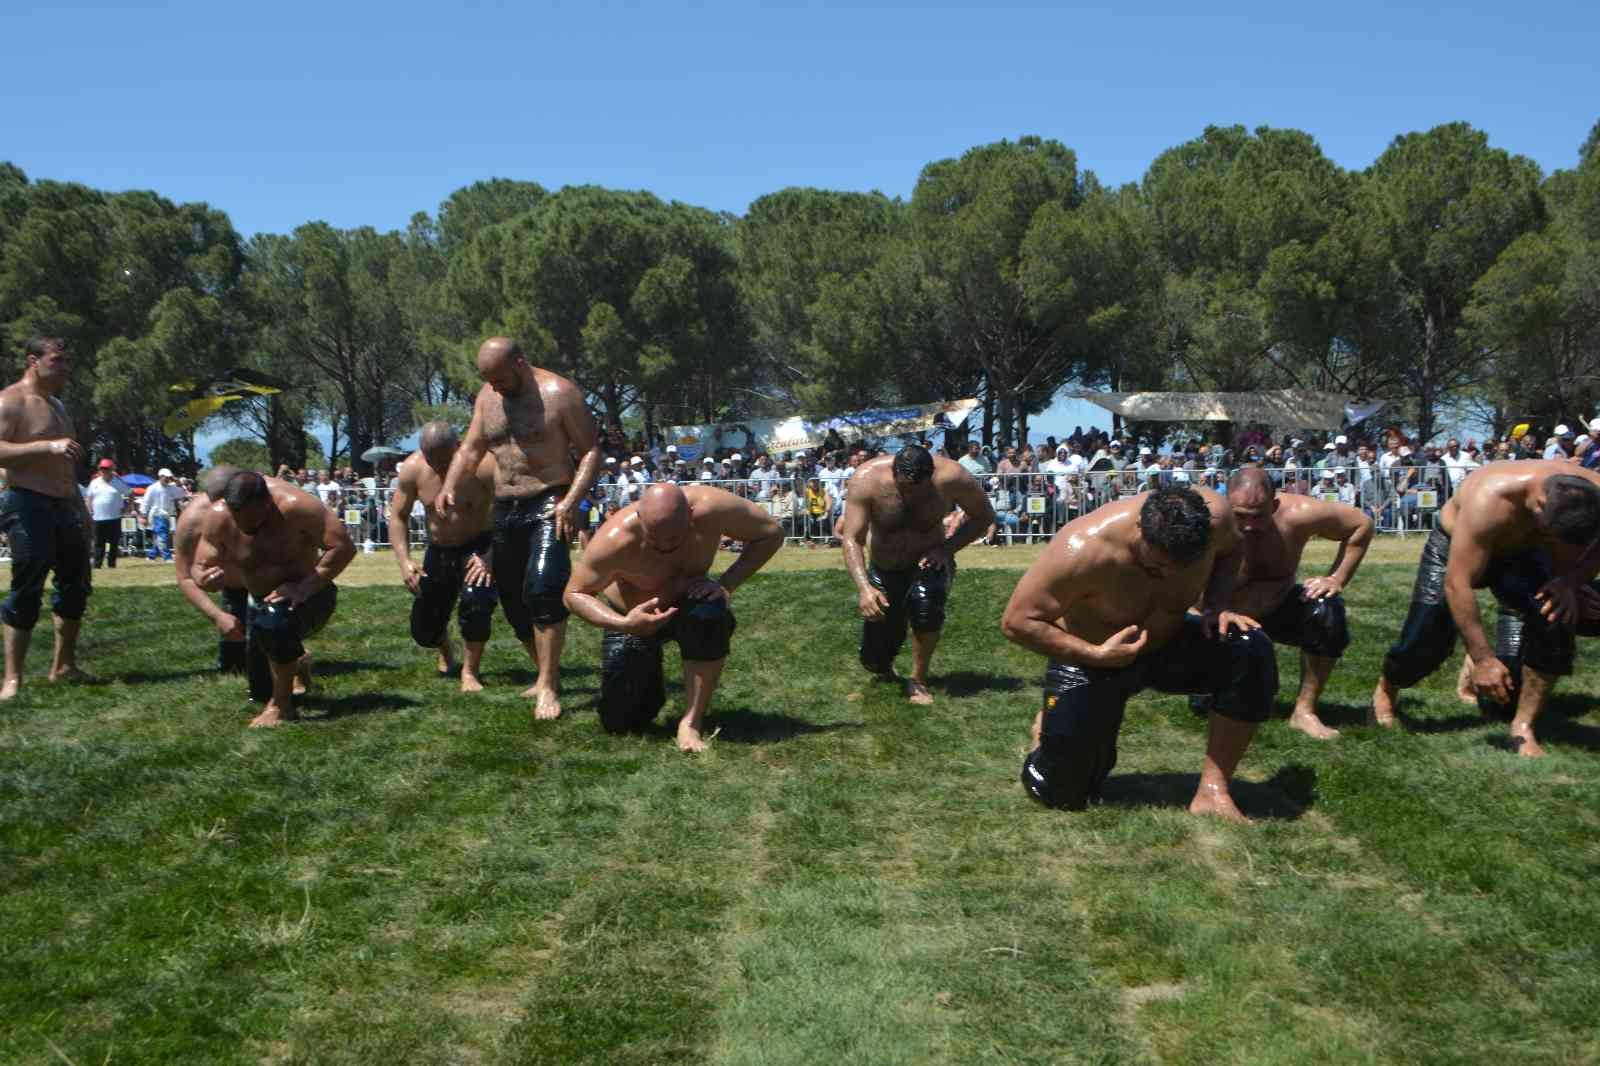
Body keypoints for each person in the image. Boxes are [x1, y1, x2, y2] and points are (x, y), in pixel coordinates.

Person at [1002, 486, 1274, 822]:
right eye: (1158, 567)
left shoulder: (1217, 518)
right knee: (1060, 792)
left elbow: (1233, 550)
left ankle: (1212, 791)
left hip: (1168, 643)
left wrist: (1217, 605)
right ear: (1141, 532)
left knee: (1249, 648)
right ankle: (1047, 731)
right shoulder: (1084, 547)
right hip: (1091, 658)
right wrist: (1096, 654)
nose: (1171, 576)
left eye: (1184, 566)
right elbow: (1017, 621)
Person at [1372, 460, 1600, 756]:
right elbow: (1459, 584)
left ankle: (1522, 725)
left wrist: (1570, 582)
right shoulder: (1490, 498)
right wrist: (1483, 659)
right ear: (1540, 505)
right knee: (1427, 634)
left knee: (1554, 615)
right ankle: (1388, 688)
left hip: (1526, 554)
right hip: (1454, 548)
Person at [437, 337, 603, 720]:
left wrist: (571, 500)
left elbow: (592, 451)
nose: (494, 387)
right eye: (487, 379)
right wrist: (448, 485)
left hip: (549, 498)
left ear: (520, 364)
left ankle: (548, 683)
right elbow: (471, 448)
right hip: (505, 504)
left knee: (544, 587)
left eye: (499, 378)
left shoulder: (560, 394)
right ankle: (545, 670)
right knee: (513, 599)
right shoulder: (487, 397)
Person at [563, 483, 783, 752]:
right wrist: (624, 624)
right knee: (621, 721)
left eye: (675, 536)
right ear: (640, 519)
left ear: (691, 514)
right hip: (633, 618)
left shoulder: (713, 508)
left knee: (710, 616)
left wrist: (726, 584)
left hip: (688, 603)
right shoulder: (615, 538)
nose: (666, 545)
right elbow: (574, 594)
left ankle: (691, 721)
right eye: (656, 537)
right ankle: (647, 675)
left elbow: (771, 534)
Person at [1203, 468, 1374, 739]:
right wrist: (1212, 609)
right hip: (1216, 618)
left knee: (1327, 611)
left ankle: (1305, 711)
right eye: (1240, 516)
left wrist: (1336, 578)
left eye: (1257, 516)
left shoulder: (1298, 514)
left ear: (1274, 505)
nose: (1248, 525)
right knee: (1220, 700)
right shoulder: (1209, 520)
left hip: (1275, 607)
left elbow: (1361, 524)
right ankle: (1207, 684)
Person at [839, 444, 994, 705]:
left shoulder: (953, 477)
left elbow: (984, 516)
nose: (911, 494)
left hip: (928, 561)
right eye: (905, 487)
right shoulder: (867, 479)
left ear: (931, 475)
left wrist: (947, 549)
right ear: (894, 472)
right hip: (884, 566)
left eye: (919, 487)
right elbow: (852, 538)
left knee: (926, 607)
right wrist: (864, 588)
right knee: (873, 659)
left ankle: (918, 680)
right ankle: (884, 666)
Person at [216, 471, 356, 727]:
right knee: (259, 691)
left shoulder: (298, 506)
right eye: (240, 520)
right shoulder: (219, 512)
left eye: (254, 521)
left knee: (274, 624)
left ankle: (282, 707)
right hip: (257, 602)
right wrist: (205, 575)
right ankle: (296, 660)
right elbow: (199, 561)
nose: (248, 528)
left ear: (267, 504)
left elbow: (343, 547)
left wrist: (303, 587)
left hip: (311, 595)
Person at [0, 336, 94, 699]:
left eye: (68, 362)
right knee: (27, 587)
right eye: (58, 360)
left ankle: (64, 666)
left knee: (75, 585)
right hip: (27, 502)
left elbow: (65, 465)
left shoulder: (57, 405)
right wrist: (46, 445)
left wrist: (80, 507)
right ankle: (12, 678)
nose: (66, 368)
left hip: (65, 502)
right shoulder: (12, 400)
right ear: (33, 361)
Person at [388, 422, 499, 693]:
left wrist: (491, 556)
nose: (437, 465)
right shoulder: (413, 469)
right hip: (438, 550)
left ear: (457, 446)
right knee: (423, 630)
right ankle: (445, 649)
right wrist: (405, 561)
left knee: (477, 602)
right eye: (431, 458)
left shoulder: (483, 465)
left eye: (444, 459)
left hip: (478, 546)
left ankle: (470, 672)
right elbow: (398, 517)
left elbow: (510, 509)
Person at [172, 464, 259, 691]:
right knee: (233, 669)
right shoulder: (191, 521)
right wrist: (218, 616)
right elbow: (184, 577)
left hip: (264, 584)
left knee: (273, 654)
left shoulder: (263, 505)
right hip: (233, 590)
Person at [84, 458, 131, 568]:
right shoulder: (94, 483)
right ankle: (97, 564)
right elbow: (89, 498)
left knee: (114, 543)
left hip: (114, 518)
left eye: (106, 468)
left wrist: (126, 507)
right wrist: (89, 511)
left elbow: (130, 493)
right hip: (98, 518)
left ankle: (111, 564)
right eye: (102, 468)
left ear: (112, 469)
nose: (104, 470)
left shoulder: (118, 482)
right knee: (98, 543)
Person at [140, 467, 188, 560]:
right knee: (163, 535)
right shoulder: (152, 488)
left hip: (166, 515)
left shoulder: (171, 488)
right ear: (160, 476)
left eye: (169, 477)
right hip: (156, 514)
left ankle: (151, 556)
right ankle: (167, 557)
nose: (167, 479)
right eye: (165, 477)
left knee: (159, 536)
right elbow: (146, 502)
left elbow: (182, 494)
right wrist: (143, 515)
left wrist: (178, 483)